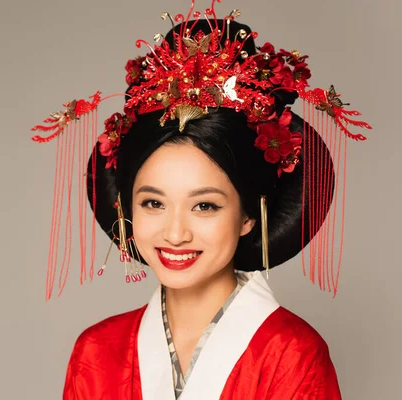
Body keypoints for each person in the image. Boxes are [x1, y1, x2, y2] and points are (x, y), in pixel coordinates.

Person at [31, 1, 371, 398]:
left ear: (248, 214)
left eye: (205, 205)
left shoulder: (292, 353)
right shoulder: (96, 350)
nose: (175, 233)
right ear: (127, 207)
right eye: (153, 203)